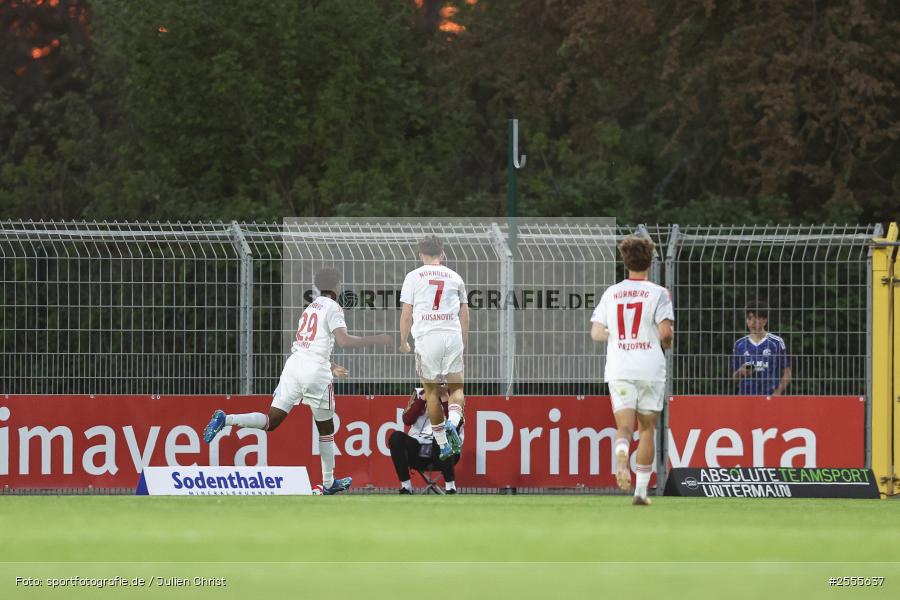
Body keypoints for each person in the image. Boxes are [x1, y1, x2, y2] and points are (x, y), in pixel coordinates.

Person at [202, 267, 392, 495]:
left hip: (294, 365)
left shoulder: (310, 308)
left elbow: (309, 345)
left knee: (271, 421)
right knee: (326, 429)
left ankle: (227, 419)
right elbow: (344, 341)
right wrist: (377, 338)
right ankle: (328, 482)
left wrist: (332, 366)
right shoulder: (333, 307)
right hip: (315, 372)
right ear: (337, 286)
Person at [590, 235, 674, 506]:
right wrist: (667, 342)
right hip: (650, 367)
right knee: (647, 428)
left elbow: (596, 333)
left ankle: (622, 451)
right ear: (650, 261)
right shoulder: (659, 293)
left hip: (620, 368)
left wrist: (617, 334)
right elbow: (665, 331)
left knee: (624, 427)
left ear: (625, 261)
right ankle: (640, 492)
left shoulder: (612, 293)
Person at [398, 235, 469, 460]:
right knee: (456, 388)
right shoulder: (455, 277)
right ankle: (454, 423)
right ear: (443, 253)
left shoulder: (413, 277)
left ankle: (442, 444)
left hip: (427, 338)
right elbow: (465, 315)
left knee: (430, 392)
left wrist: (403, 341)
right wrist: (463, 341)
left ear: (420, 255)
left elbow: (406, 314)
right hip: (451, 335)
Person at [388, 384, 462, 494]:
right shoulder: (419, 393)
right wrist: (424, 398)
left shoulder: (455, 397)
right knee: (396, 438)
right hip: (417, 448)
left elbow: (458, 425)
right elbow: (407, 419)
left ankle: (450, 487)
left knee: (442, 435)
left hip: (444, 453)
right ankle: (406, 487)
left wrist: (445, 399)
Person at [732, 304, 791, 396]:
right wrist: (740, 372)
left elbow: (787, 374)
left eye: (756, 318)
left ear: (765, 321)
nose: (752, 322)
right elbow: (734, 378)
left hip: (769, 396)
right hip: (745, 398)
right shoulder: (739, 344)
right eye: (749, 318)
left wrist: (776, 394)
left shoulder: (776, 343)